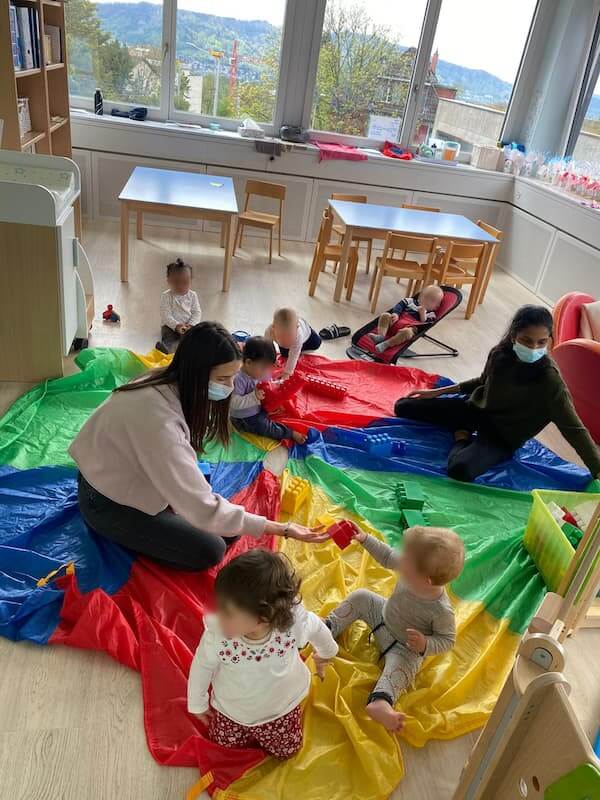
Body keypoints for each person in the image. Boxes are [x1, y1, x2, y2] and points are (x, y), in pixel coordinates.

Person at [70, 322, 328, 572]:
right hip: (102, 500)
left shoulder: (167, 381)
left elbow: (195, 497)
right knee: (211, 549)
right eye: (223, 378)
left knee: (227, 530)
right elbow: (203, 507)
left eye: (233, 377)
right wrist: (283, 528)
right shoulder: (160, 424)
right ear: (197, 372)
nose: (229, 388)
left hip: (119, 477)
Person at [394, 305, 600, 482]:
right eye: (527, 341)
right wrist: (435, 393)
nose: (534, 347)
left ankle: (461, 435)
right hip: (476, 410)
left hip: (502, 436)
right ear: (514, 336)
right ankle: (462, 425)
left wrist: (597, 468)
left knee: (460, 469)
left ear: (549, 340)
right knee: (403, 406)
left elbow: (574, 428)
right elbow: (482, 382)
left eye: (541, 342)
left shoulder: (550, 381)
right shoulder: (500, 354)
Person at [188, 549, 338, 758]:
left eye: (229, 612)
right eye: (219, 605)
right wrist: (197, 703)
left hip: (280, 711)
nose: (219, 615)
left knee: (288, 752)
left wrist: (327, 653)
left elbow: (318, 629)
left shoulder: (292, 626)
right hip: (231, 711)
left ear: (263, 617)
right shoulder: (219, 635)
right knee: (221, 746)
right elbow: (202, 666)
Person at [326, 524, 464, 732]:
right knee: (361, 596)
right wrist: (365, 539)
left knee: (401, 671)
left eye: (406, 559)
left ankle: (381, 701)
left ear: (426, 580)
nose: (401, 559)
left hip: (405, 648)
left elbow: (447, 640)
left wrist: (426, 643)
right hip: (381, 615)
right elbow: (388, 556)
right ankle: (327, 627)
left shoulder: (441, 611)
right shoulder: (412, 566)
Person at [230, 336, 306, 444]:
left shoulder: (260, 371)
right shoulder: (238, 379)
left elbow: (269, 384)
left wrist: (275, 398)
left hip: (259, 406)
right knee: (265, 427)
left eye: (269, 368)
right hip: (244, 418)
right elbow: (233, 403)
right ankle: (289, 433)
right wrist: (253, 397)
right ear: (248, 363)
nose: (267, 372)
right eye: (264, 368)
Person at [370, 284, 444, 353]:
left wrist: (422, 314)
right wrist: (396, 314)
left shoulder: (431, 314)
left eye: (433, 300)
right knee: (385, 315)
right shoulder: (410, 301)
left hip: (406, 330)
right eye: (426, 297)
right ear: (419, 296)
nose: (428, 301)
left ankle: (386, 344)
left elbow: (424, 324)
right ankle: (381, 336)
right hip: (395, 322)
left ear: (437, 306)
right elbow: (399, 306)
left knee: (408, 333)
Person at [156, 257, 202, 354]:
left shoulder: (193, 295)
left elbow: (197, 312)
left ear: (190, 281)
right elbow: (165, 315)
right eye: (176, 283)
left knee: (195, 336)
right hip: (170, 326)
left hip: (188, 326)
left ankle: (193, 350)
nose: (181, 286)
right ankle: (166, 350)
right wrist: (176, 325)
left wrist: (191, 325)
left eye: (185, 283)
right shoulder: (166, 296)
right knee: (169, 337)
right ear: (169, 281)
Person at [265, 307, 321, 379]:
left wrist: (287, 373)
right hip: (294, 341)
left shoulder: (299, 335)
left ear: (296, 329)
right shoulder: (269, 332)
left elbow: (293, 356)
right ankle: (297, 346)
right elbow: (268, 347)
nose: (285, 341)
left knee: (316, 343)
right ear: (273, 327)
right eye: (281, 336)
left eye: (289, 336)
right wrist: (272, 359)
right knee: (285, 355)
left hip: (307, 335)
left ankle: (301, 345)